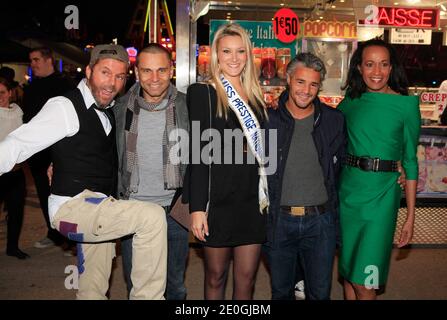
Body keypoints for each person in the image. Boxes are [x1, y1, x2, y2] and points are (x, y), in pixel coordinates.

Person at [0, 44, 167, 300]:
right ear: (88, 71)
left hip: (99, 207)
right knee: (152, 217)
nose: (112, 83)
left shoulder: (109, 108)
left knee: (93, 289)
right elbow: (17, 144)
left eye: (120, 76)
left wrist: (62, 162)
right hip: (73, 207)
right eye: (105, 72)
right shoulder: (64, 107)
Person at [184, 23, 269, 300]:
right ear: (216, 55)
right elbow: (197, 153)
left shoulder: (256, 97)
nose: (234, 58)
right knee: (215, 277)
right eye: (227, 51)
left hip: (251, 201)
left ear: (248, 55)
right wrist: (197, 208)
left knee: (247, 279)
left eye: (240, 51)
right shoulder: (203, 93)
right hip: (218, 200)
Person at [338, 38, 420, 300]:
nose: (377, 71)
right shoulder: (350, 102)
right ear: (359, 68)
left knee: (365, 282)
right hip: (348, 193)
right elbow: (323, 129)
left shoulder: (407, 106)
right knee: (349, 276)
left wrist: (410, 215)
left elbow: (410, 160)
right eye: (370, 64)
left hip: (383, 196)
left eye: (383, 64)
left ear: (391, 67)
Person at [263, 53, 346, 300]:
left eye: (313, 84)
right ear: (288, 79)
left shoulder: (334, 120)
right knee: (280, 292)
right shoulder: (268, 119)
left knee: (319, 293)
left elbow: (342, 166)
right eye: (300, 82)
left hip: (320, 222)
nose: (306, 90)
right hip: (279, 220)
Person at [114, 43, 190, 300]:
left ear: (171, 71)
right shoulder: (119, 107)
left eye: (161, 70)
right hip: (133, 209)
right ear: (137, 73)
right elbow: (97, 146)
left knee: (175, 285)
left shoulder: (188, 106)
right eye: (147, 71)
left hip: (175, 211)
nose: (154, 78)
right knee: (137, 285)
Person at [23, 47, 75, 249]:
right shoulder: (31, 87)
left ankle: (70, 237)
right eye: (31, 60)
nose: (33, 64)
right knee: (44, 193)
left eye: (36, 59)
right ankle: (52, 233)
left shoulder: (64, 85)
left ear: (48, 60)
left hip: (59, 151)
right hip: (38, 152)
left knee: (63, 195)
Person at [0, 77, 29, 259]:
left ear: (10, 93)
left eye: (2, 92)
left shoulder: (19, 112)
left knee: (16, 212)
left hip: (16, 173)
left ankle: (12, 247)